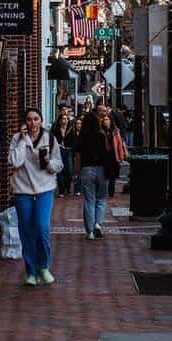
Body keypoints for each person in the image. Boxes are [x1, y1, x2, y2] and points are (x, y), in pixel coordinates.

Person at [9, 107, 63, 287]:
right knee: (27, 232)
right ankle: (31, 272)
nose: (33, 123)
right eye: (29, 120)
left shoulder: (50, 138)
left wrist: (48, 162)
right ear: (25, 122)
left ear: (41, 120)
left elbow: (58, 164)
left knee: (42, 228)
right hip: (22, 190)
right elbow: (15, 162)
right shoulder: (17, 139)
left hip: (44, 188)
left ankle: (43, 266)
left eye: (36, 119)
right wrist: (23, 140)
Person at [75, 101, 115, 239]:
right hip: (101, 169)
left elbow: (77, 150)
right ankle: (98, 224)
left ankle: (90, 231)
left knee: (89, 200)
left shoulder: (82, 136)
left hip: (87, 169)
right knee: (101, 199)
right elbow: (108, 152)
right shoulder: (101, 135)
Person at [102, 111, 129, 197]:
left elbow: (119, 144)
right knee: (105, 175)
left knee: (113, 176)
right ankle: (104, 191)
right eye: (104, 119)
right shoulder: (101, 131)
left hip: (114, 156)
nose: (105, 121)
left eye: (107, 119)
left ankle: (111, 192)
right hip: (104, 157)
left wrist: (121, 155)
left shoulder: (115, 131)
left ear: (110, 120)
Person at [51, 108, 75, 197]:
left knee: (69, 170)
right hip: (58, 150)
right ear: (60, 120)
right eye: (63, 119)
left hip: (68, 150)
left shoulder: (71, 128)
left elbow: (74, 140)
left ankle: (68, 187)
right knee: (59, 170)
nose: (64, 120)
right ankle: (61, 190)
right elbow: (52, 139)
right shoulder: (55, 129)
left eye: (66, 119)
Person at [71, 117, 83, 195]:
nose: (79, 125)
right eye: (77, 123)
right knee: (75, 173)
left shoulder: (84, 134)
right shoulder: (72, 134)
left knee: (80, 173)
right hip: (74, 154)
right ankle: (76, 189)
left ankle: (79, 189)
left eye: (80, 123)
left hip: (81, 155)